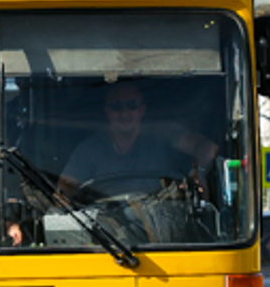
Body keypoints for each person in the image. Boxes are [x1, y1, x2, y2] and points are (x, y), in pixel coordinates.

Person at [58, 79, 217, 204]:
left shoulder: (163, 133)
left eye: (131, 105)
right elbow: (64, 192)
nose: (124, 113)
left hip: (162, 227)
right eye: (116, 106)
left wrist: (201, 173)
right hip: (108, 232)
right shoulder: (89, 149)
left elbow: (206, 147)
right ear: (107, 111)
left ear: (142, 109)